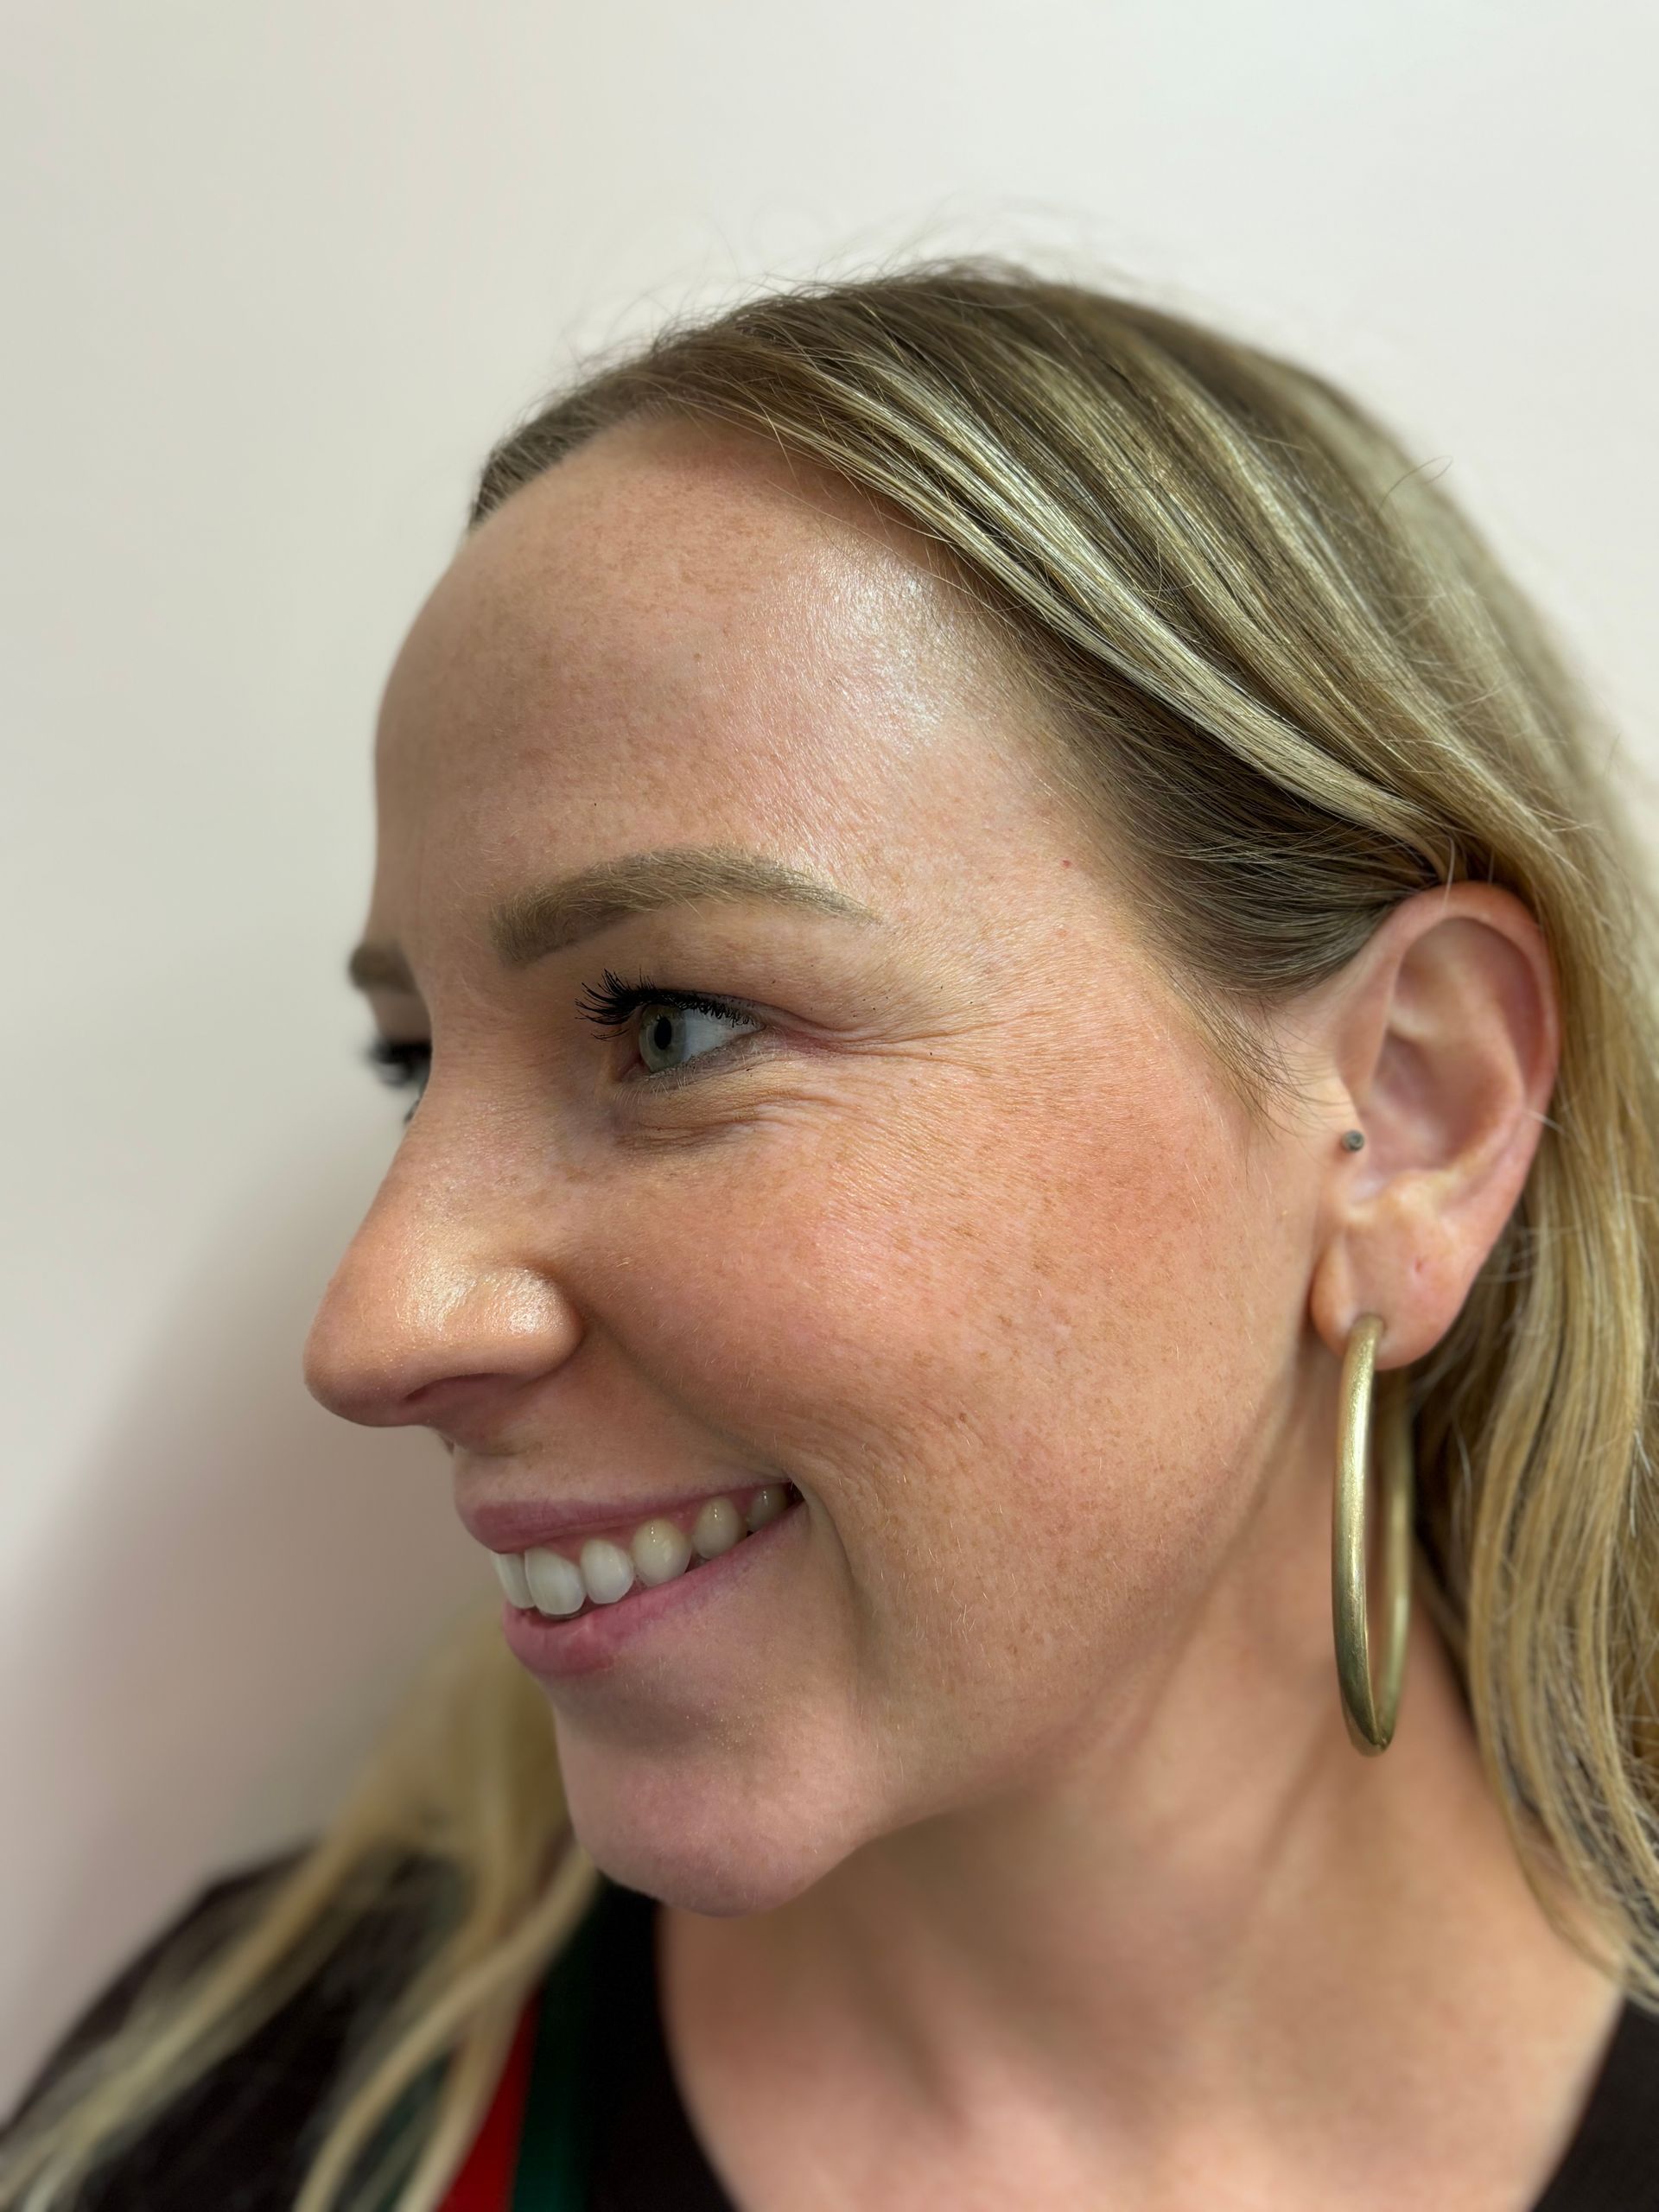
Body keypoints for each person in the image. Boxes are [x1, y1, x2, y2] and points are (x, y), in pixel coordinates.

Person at [6, 258, 1659, 2212]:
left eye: (670, 1023)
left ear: (1406, 1112)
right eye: (414, 1063)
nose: (376, 1323)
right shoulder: (236, 2134)